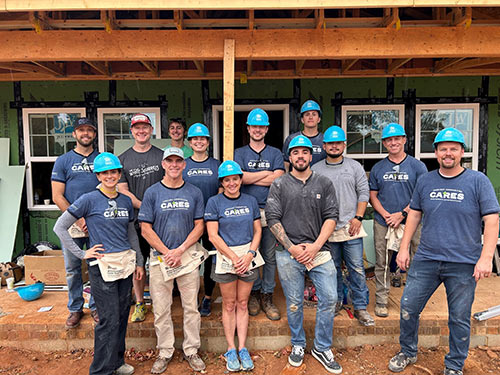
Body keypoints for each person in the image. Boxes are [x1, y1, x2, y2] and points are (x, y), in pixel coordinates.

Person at [388, 128, 500, 375]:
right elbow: (415, 214)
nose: (448, 153)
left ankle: (454, 365)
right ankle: (407, 351)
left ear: (462, 152)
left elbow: (492, 220)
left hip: (463, 263)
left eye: (453, 148)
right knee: (408, 307)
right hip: (426, 259)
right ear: (436, 153)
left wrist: (485, 258)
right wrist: (403, 247)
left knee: (459, 317)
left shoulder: (478, 181)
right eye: (442, 149)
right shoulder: (426, 180)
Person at [54, 152, 145, 375]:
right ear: (98, 175)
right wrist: (82, 254)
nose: (110, 176)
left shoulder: (125, 200)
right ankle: (100, 371)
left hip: (124, 263)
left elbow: (131, 233)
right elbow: (60, 227)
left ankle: (117, 362)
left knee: (122, 315)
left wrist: (139, 261)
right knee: (109, 318)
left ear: (118, 174)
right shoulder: (88, 199)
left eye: (113, 172)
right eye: (105, 173)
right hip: (102, 266)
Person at [266, 135, 342, 374]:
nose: (300, 156)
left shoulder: (324, 183)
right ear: (289, 157)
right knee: (295, 303)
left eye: (305, 152)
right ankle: (298, 343)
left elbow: (331, 216)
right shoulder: (279, 184)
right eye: (295, 152)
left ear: (311, 156)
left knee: (330, 298)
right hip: (288, 253)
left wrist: (316, 246)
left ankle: (321, 347)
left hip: (319, 251)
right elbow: (272, 219)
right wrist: (292, 248)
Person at [139, 147, 206, 374]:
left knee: (191, 307)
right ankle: (165, 351)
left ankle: (191, 350)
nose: (175, 164)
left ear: (184, 164)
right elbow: (145, 228)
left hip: (186, 258)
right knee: (161, 308)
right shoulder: (152, 193)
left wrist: (180, 250)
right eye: (170, 161)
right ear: (163, 164)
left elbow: (200, 226)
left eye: (179, 160)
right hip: (160, 258)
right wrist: (167, 251)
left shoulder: (194, 192)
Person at [312, 126, 374, 326]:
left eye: (338, 143)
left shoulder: (354, 167)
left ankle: (361, 307)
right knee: (333, 268)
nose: (335, 146)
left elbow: (364, 193)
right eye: (331, 143)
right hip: (327, 230)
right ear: (324, 146)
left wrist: (358, 217)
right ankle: (337, 301)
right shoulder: (316, 170)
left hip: (351, 227)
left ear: (344, 145)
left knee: (356, 268)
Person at [205, 160, 262, 372]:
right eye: (227, 180)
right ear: (222, 182)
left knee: (243, 303)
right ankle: (231, 348)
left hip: (248, 256)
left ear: (240, 180)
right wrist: (233, 257)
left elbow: (257, 230)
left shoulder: (250, 200)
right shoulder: (214, 202)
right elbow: (212, 235)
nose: (231, 183)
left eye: (235, 179)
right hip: (225, 258)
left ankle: (243, 348)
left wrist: (249, 254)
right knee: (229, 304)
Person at [369, 123, 427, 318]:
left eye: (396, 139)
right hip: (383, 221)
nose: (393, 142)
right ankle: (382, 301)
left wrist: (402, 214)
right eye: (389, 140)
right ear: (384, 143)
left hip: (411, 221)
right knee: (382, 263)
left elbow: (421, 196)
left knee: (413, 262)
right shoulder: (378, 168)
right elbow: (373, 195)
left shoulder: (418, 166)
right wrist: (386, 214)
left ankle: (411, 303)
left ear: (404, 140)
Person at [234, 108, 285, 321]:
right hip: (248, 212)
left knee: (270, 256)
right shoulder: (239, 153)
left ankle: (267, 295)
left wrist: (251, 176)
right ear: (248, 128)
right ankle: (254, 293)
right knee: (251, 255)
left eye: (261, 126)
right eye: (253, 126)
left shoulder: (275, 153)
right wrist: (266, 174)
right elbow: (240, 179)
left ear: (266, 129)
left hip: (271, 210)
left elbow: (279, 178)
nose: (257, 130)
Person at [51, 117, 99, 329]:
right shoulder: (63, 161)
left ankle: (96, 306)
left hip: (98, 222)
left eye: (89, 130)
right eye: (81, 130)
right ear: (74, 134)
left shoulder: (102, 159)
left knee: (97, 266)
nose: (85, 134)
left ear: (94, 134)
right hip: (72, 222)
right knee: (73, 268)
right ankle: (75, 308)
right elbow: (57, 195)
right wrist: (78, 219)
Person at [118, 113, 164, 323]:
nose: (141, 131)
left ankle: (159, 301)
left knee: (159, 262)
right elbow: (123, 190)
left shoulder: (162, 156)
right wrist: (145, 207)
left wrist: (155, 210)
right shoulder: (123, 159)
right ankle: (139, 303)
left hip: (161, 221)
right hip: (135, 221)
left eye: (145, 127)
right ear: (132, 131)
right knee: (139, 263)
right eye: (137, 128)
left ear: (151, 130)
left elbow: (169, 184)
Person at [183, 123, 221, 317]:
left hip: (211, 221)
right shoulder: (183, 165)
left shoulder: (216, 165)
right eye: (195, 139)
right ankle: (190, 298)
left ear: (207, 142)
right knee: (190, 261)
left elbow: (222, 190)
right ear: (189, 142)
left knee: (210, 260)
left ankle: (207, 297)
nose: (199, 142)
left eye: (202, 139)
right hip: (188, 222)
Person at [282, 100, 326, 171]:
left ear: (319, 119)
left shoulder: (325, 140)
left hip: (320, 180)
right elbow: (286, 164)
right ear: (302, 119)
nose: (310, 117)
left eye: (314, 114)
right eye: (307, 114)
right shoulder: (292, 139)